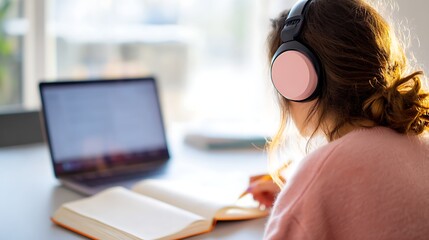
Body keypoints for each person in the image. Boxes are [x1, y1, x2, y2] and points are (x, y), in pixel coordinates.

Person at [246, 0, 429, 239]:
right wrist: (297, 194)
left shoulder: (322, 174)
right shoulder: (419, 145)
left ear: (297, 79)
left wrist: (303, 197)